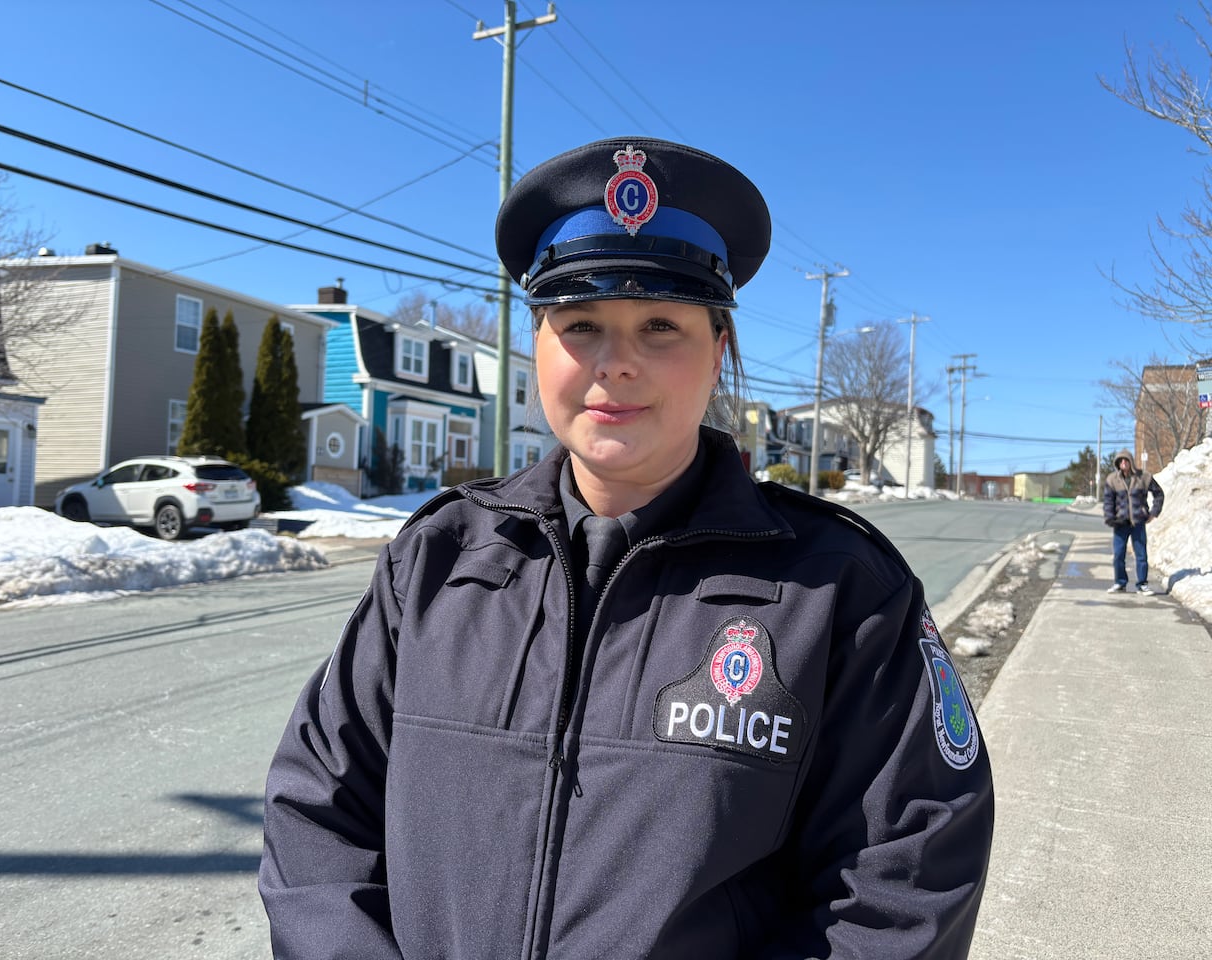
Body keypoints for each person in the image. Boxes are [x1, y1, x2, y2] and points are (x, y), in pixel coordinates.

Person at [259, 137, 994, 959]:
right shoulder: (435, 562)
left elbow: (906, 882)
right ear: (537, 344)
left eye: (660, 326)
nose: (616, 365)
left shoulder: (840, 590)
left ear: (718, 351)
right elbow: (317, 817)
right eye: (580, 325)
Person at [1102, 449, 1164, 594]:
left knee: (1141, 555)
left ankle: (1142, 584)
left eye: (1126, 460)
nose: (1123, 463)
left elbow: (1159, 494)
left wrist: (1154, 512)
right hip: (1120, 523)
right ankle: (1120, 582)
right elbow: (1108, 501)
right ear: (1117, 464)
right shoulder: (1112, 480)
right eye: (1120, 461)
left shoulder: (1143, 477)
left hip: (1138, 522)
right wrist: (1110, 518)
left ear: (1130, 461)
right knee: (1118, 555)